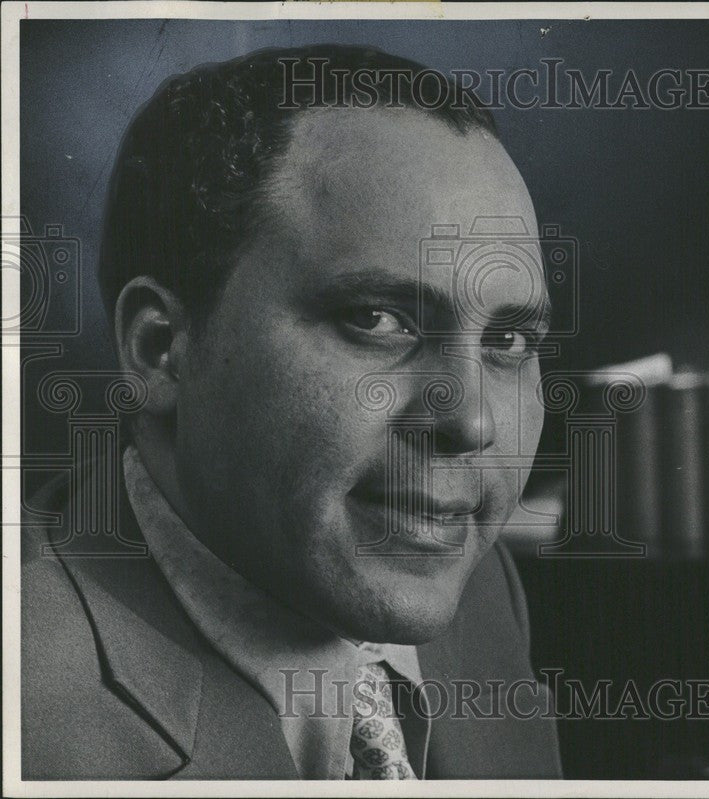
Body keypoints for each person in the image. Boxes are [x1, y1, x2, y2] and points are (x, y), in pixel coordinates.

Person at [21, 44, 561, 780]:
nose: (471, 422)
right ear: (159, 349)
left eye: (507, 339)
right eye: (376, 318)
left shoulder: (473, 582)